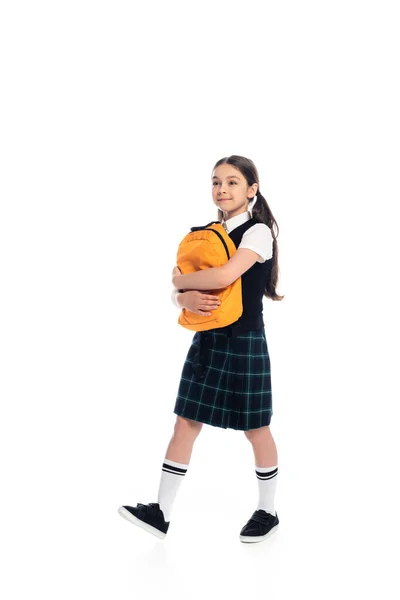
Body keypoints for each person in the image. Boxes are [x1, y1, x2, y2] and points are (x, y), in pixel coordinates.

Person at [118, 155, 284, 543]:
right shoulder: (207, 234)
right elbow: (181, 293)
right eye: (215, 182)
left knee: (256, 429)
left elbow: (225, 275)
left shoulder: (258, 233)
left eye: (231, 182)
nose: (222, 189)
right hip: (207, 339)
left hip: (244, 342)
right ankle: (160, 513)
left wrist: (181, 282)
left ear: (251, 190)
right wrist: (183, 299)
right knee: (185, 422)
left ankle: (268, 511)